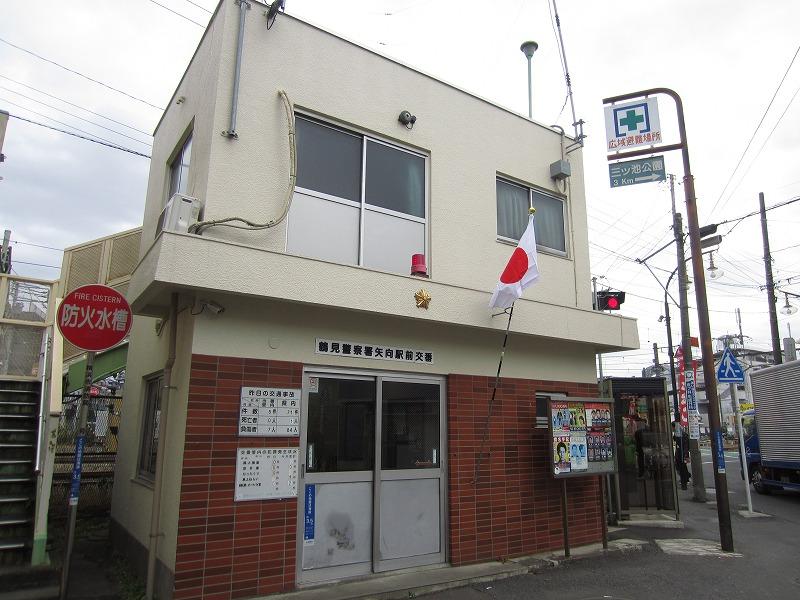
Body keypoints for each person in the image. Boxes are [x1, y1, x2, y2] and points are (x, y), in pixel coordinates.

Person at [673, 420, 691, 489]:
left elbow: (684, 446)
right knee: (682, 467)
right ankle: (686, 478)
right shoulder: (679, 433)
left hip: (682, 453)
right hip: (681, 453)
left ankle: (685, 481)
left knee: (681, 467)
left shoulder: (681, 434)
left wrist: (685, 455)